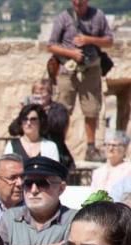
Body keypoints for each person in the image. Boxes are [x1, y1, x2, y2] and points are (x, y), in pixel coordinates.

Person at [48, 0, 113, 161]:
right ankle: (58, 145)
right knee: (62, 110)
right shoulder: (63, 17)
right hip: (67, 69)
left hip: (91, 68)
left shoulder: (98, 16)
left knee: (91, 109)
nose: (78, 4)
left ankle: (90, 148)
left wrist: (89, 40)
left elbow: (109, 41)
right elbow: (51, 45)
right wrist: (71, 54)